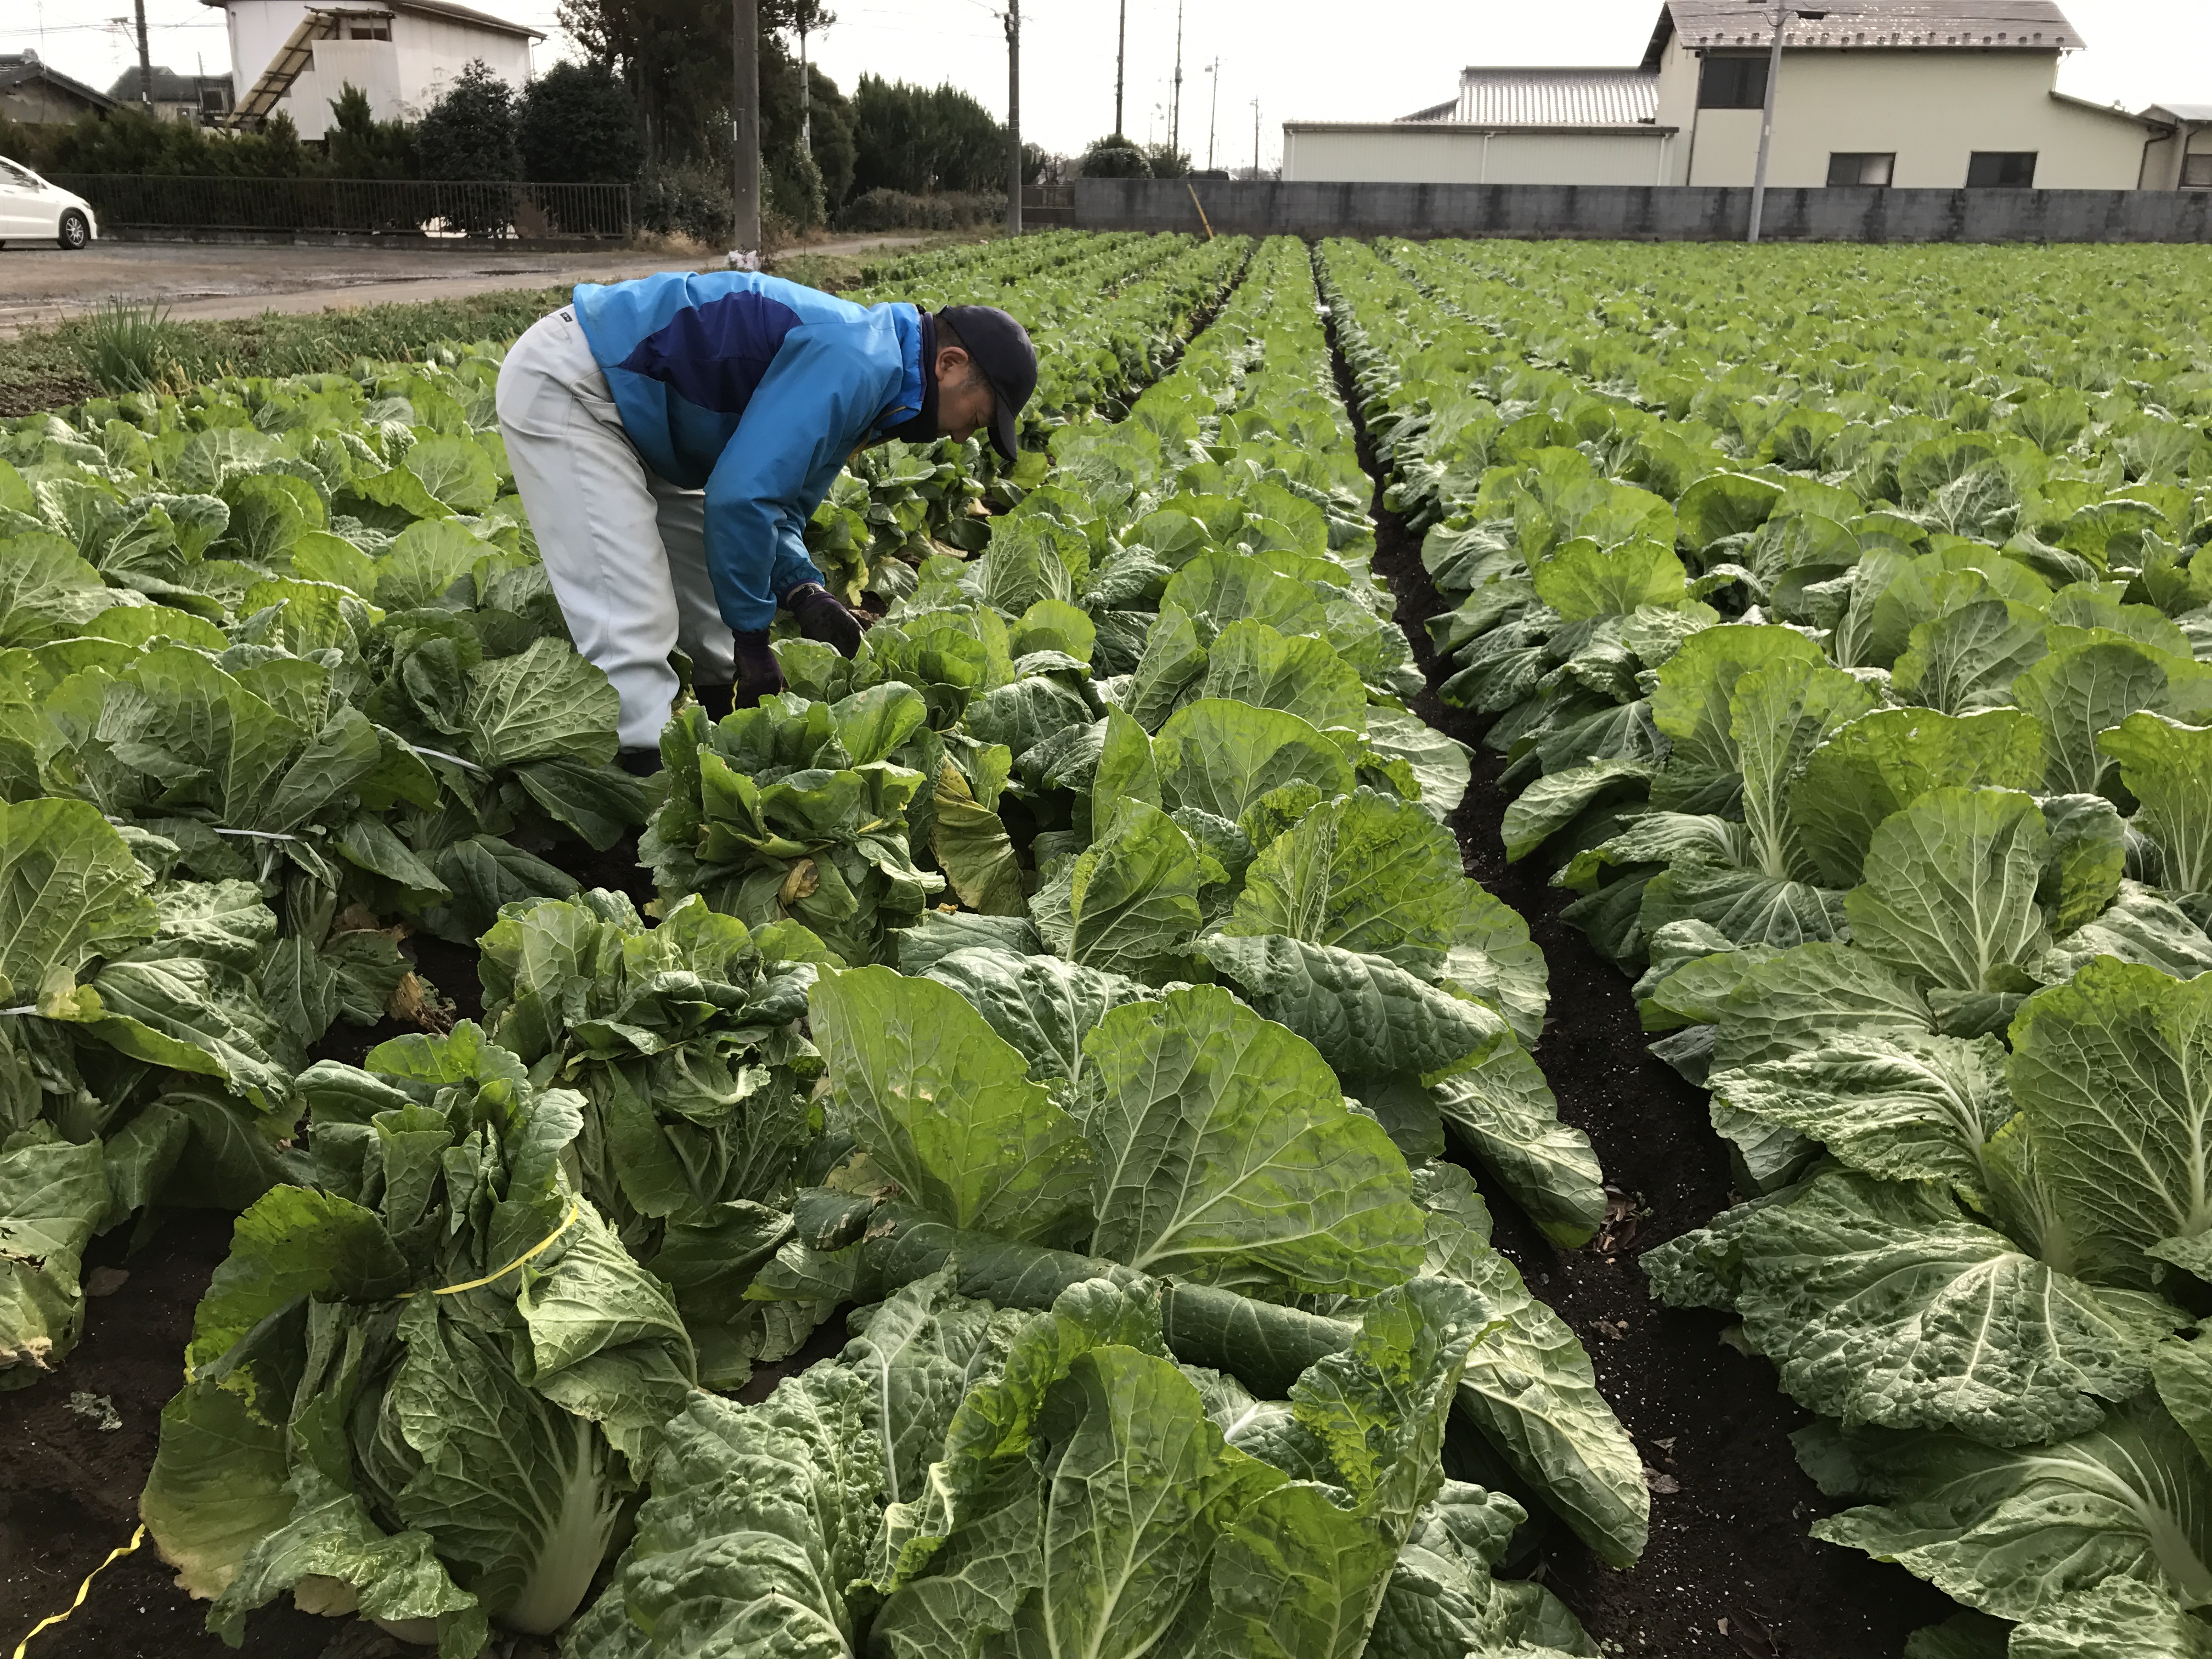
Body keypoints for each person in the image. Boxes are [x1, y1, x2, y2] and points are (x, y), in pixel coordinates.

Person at [493, 270, 1038, 772]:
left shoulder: (877, 375)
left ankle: (719, 736)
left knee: (708, 614)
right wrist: (753, 638)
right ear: (950, 364)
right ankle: (643, 787)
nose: (966, 436)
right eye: (980, 416)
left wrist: (802, 590)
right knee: (631, 614)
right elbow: (741, 499)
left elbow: (777, 505)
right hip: (577, 385)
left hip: (644, 421)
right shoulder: (859, 362)